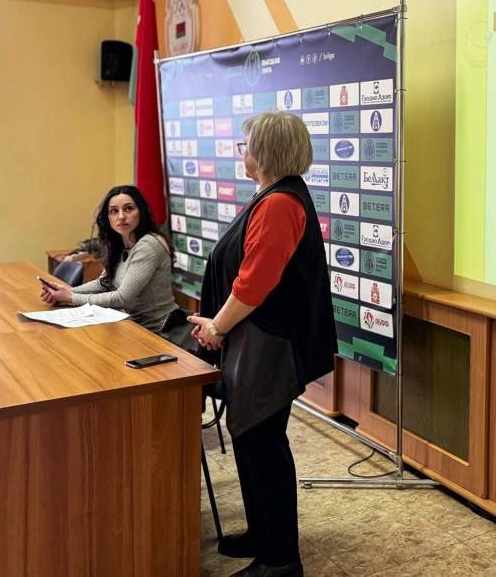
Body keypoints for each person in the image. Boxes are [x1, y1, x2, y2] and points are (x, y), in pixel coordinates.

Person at [187, 110, 336, 577]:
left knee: (263, 443)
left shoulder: (279, 203)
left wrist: (216, 327)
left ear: (265, 152)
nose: (241, 153)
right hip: (258, 340)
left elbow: (254, 284)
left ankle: (279, 560)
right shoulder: (271, 196)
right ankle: (261, 533)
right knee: (250, 439)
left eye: (245, 145)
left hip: (270, 345)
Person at [39, 184, 177, 333]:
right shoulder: (120, 242)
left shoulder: (148, 245)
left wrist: (70, 297)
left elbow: (122, 298)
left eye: (128, 209)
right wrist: (68, 291)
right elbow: (104, 283)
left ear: (141, 211)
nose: (121, 216)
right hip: (134, 327)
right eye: (114, 211)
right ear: (108, 217)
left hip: (160, 332)